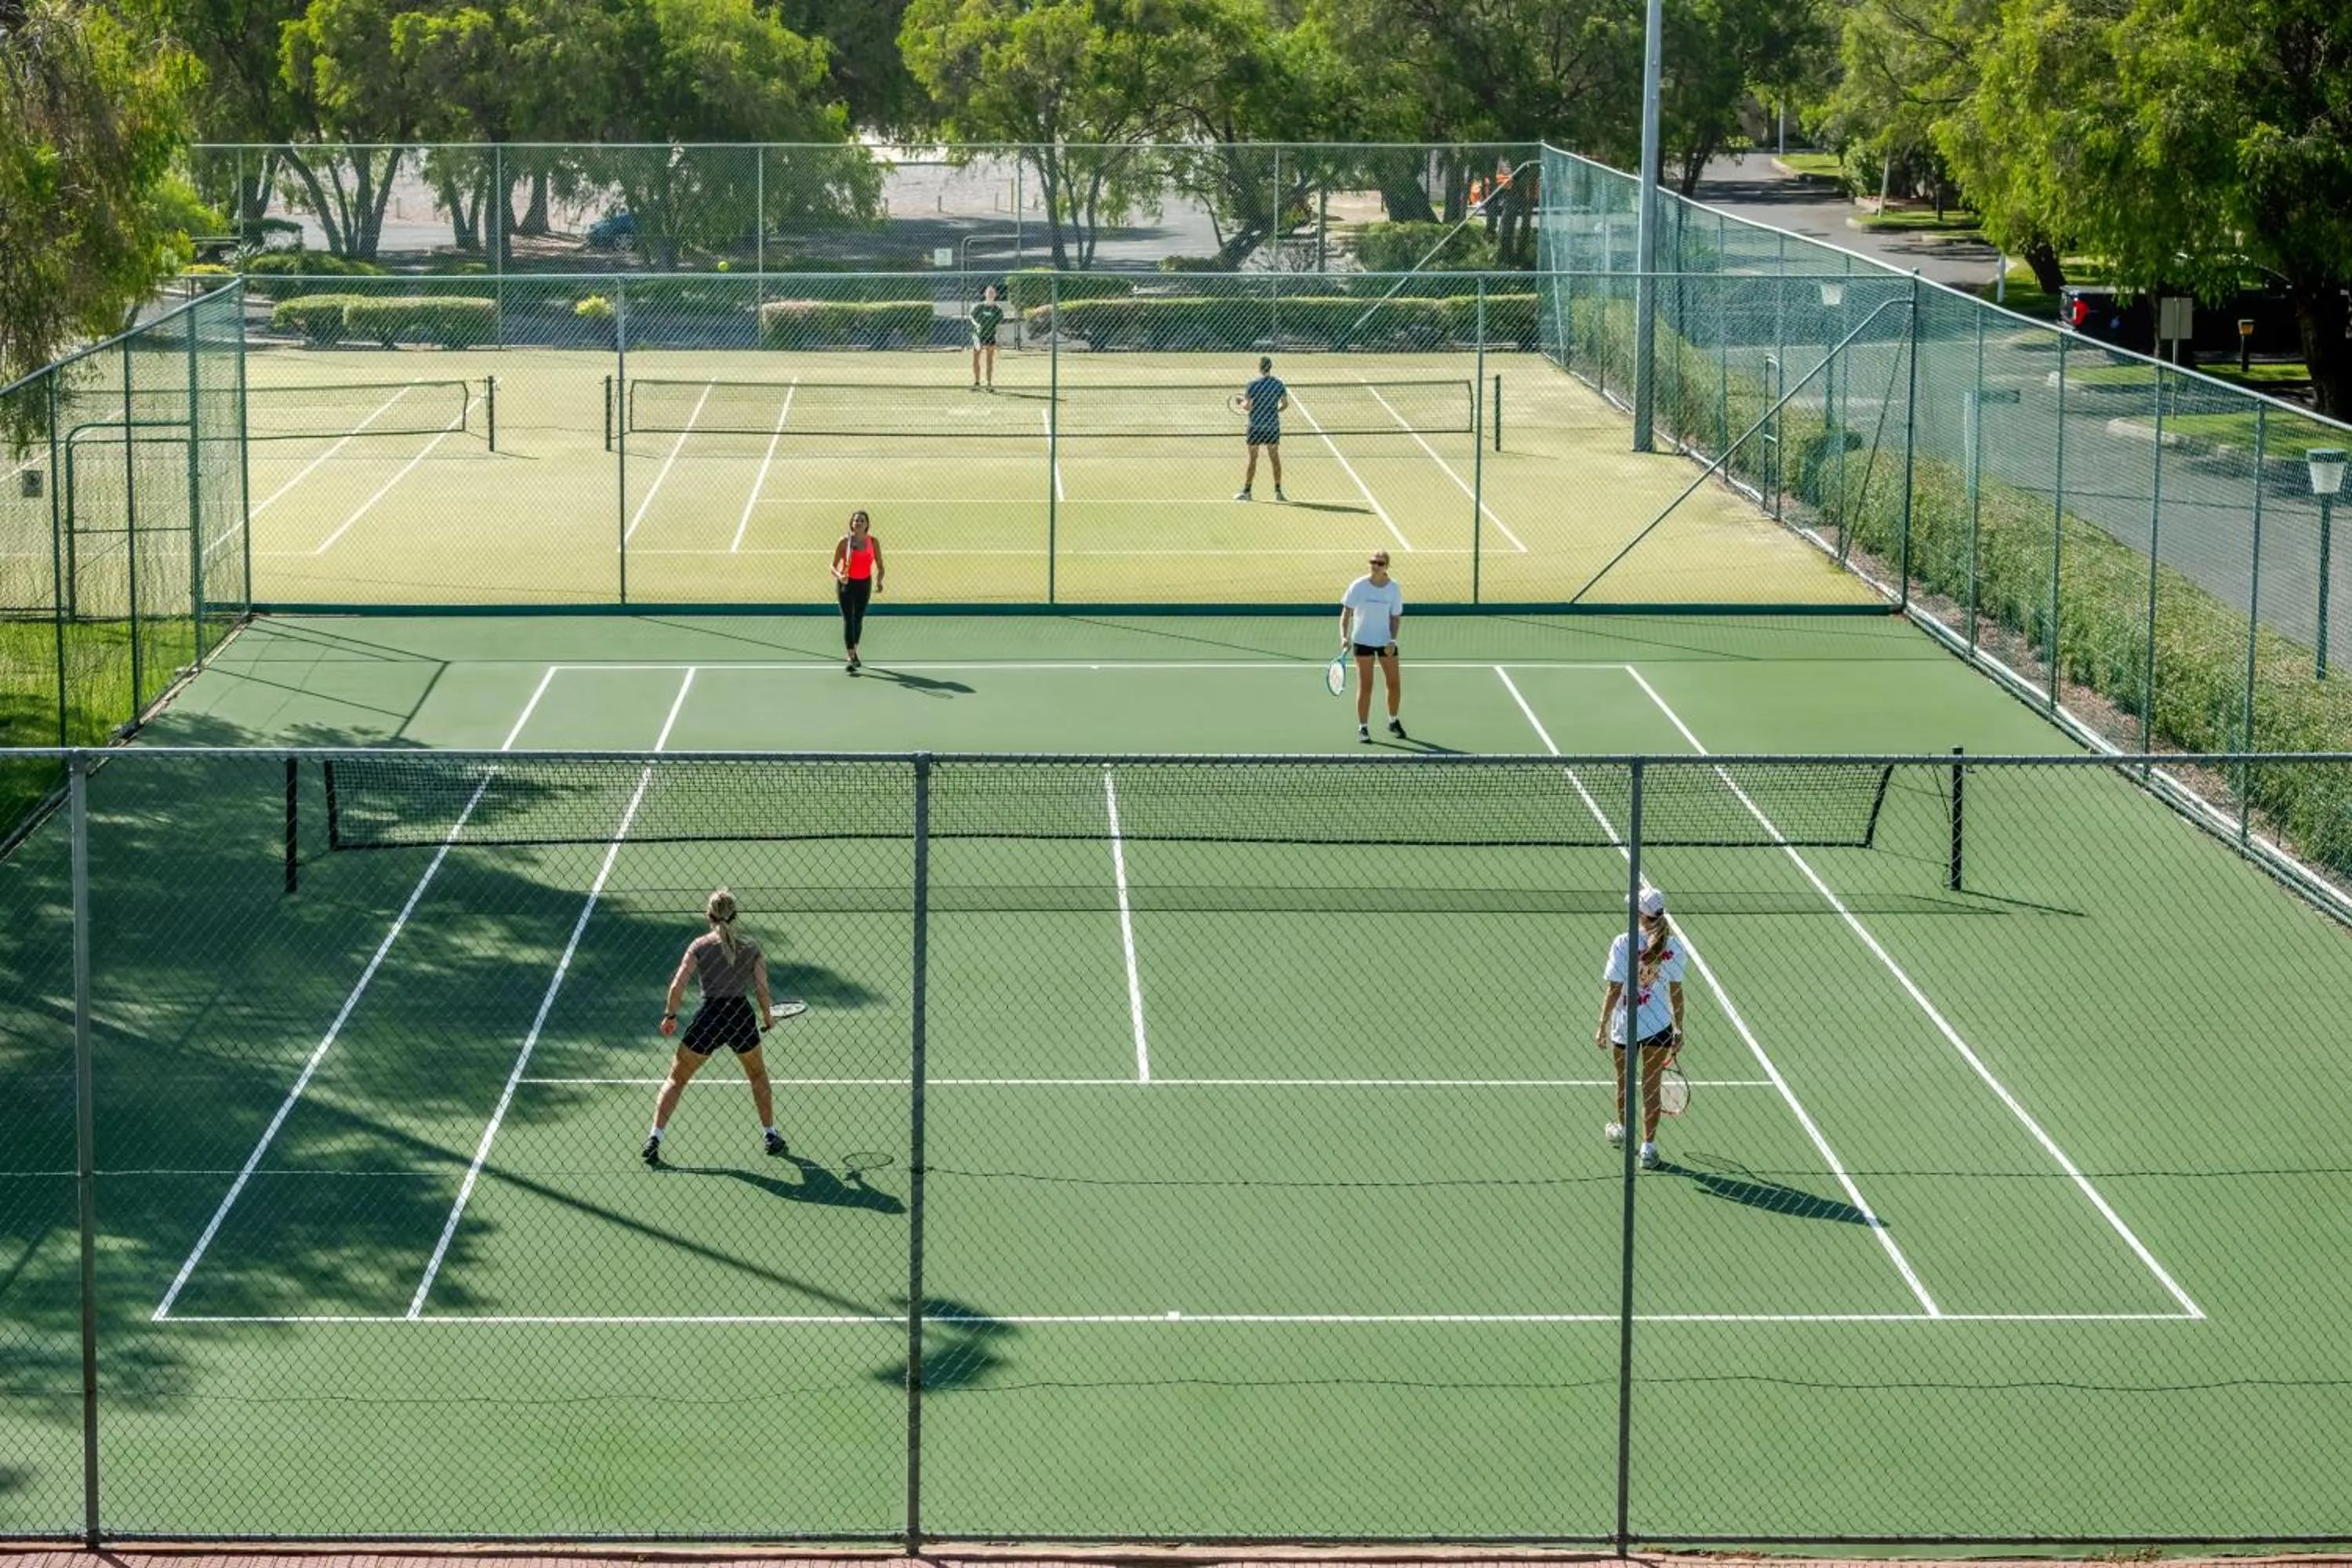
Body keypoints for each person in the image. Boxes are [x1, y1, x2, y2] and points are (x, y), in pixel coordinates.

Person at [644, 888, 783, 1167]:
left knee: (676, 1078)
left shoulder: (699, 946)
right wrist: (767, 1017)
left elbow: (678, 984)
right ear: (736, 916)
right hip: (740, 1018)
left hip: (709, 1017)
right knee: (757, 1075)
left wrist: (670, 1015)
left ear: (708, 916)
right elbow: (762, 989)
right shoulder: (751, 948)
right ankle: (770, 1135)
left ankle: (654, 1139)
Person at [1595, 887, 1686, 1171]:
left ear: (1640, 915)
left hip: (1625, 1028)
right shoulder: (1674, 947)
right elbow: (1676, 991)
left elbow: (1614, 989)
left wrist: (1601, 1025)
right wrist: (1679, 1029)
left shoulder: (1623, 943)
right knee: (1651, 1087)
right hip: (1659, 1026)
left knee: (1624, 1082)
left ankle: (1623, 1130)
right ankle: (1649, 1148)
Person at [1338, 550, 1404, 741]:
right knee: (1366, 686)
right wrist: (1344, 637)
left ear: (1387, 567)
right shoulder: (1358, 586)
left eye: (1380, 563)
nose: (1375, 566)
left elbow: (1395, 617)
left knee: (1394, 684)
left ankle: (1393, 721)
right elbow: (1346, 614)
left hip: (1386, 643)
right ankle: (1363, 727)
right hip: (1363, 641)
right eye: (1373, 562)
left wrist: (1393, 640)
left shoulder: (1393, 588)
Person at [829, 509, 884, 673]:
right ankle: (851, 656)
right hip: (846, 585)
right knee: (848, 619)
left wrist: (879, 581)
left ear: (867, 524)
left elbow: (881, 566)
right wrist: (840, 576)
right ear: (851, 524)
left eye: (862, 520)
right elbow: (832, 566)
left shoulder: (873, 542)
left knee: (858, 618)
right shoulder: (844, 542)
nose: (858, 523)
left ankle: (854, 651)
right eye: (856, 521)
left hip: (864, 584)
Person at [1234, 355, 1287, 503]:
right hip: (1272, 426)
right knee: (1275, 458)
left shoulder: (1252, 384)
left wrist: (1240, 402)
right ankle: (1278, 492)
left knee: (1252, 459)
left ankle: (1247, 492)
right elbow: (1284, 405)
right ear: (1270, 367)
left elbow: (1248, 406)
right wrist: (1275, 410)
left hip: (1256, 426)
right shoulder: (1279, 384)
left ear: (1259, 367)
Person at [969, 284, 1005, 391]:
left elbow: (999, 326)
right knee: (976, 359)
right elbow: (971, 317)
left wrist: (999, 341)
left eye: (992, 292)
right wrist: (976, 324)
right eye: (988, 292)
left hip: (991, 336)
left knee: (989, 360)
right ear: (985, 294)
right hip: (978, 336)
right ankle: (977, 382)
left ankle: (989, 384)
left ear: (995, 295)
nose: (990, 293)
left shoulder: (998, 309)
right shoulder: (979, 307)